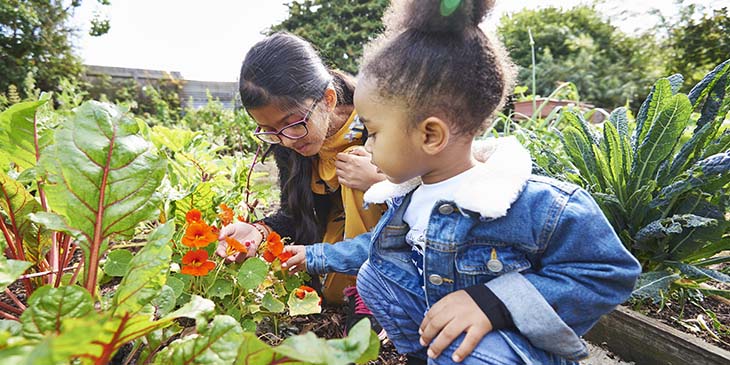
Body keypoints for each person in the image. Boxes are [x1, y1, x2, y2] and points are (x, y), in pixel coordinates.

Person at [282, 0, 642, 364]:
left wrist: (494, 303)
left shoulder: (533, 203)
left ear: (430, 135)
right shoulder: (411, 195)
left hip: (504, 349)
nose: (368, 145)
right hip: (454, 331)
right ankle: (428, 355)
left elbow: (610, 273)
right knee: (375, 275)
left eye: (373, 132)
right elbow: (373, 249)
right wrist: (314, 255)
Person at [217, 31, 387, 334]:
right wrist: (258, 230)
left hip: (398, 237)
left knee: (354, 162)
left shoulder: (380, 115)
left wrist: (381, 180)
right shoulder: (289, 141)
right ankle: (354, 285)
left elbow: (435, 182)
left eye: (291, 124)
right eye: (268, 130)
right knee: (331, 290)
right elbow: (294, 214)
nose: (284, 140)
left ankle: (372, 288)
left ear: (328, 99)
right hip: (344, 237)